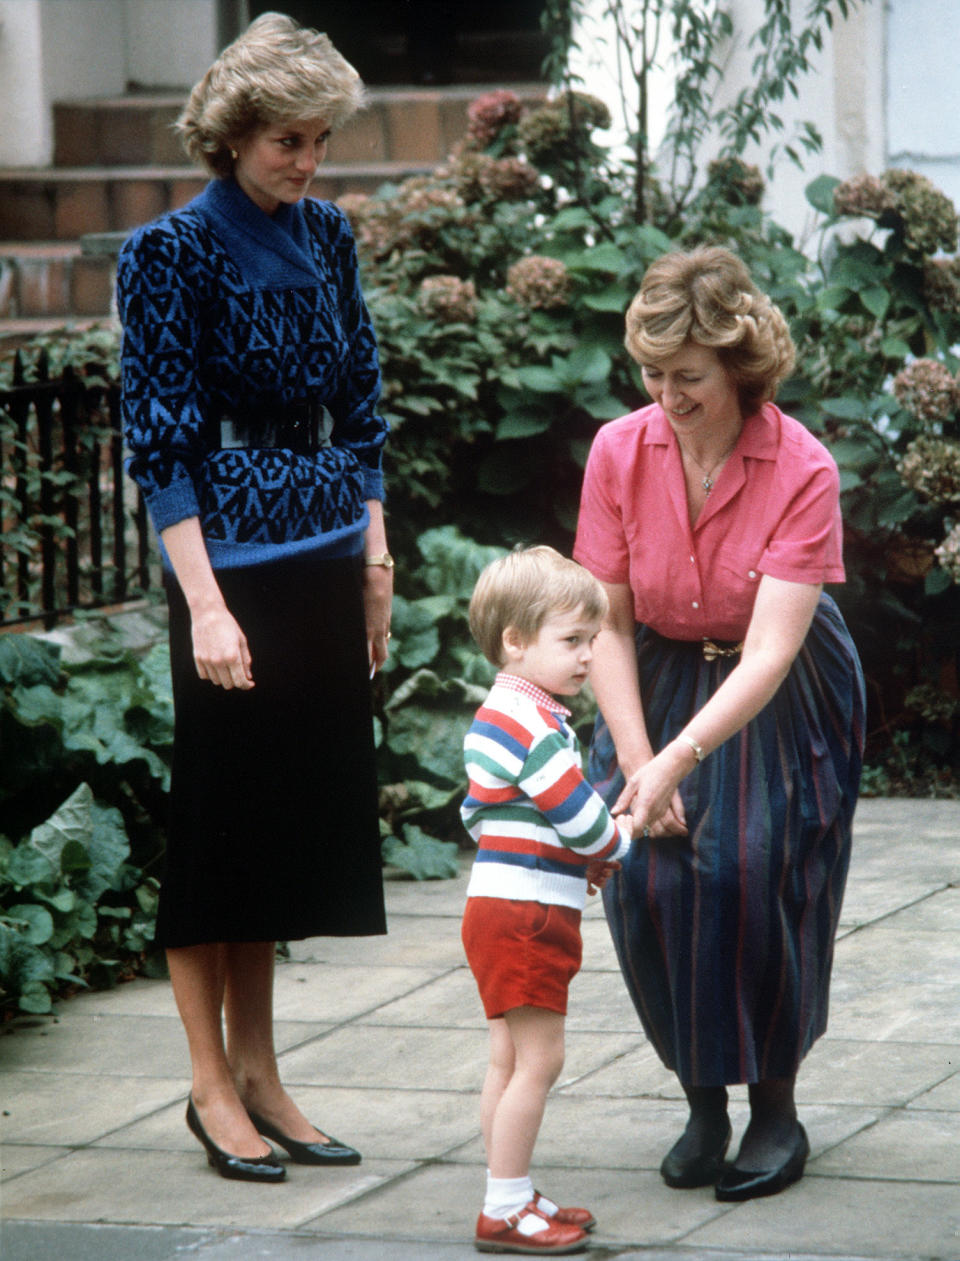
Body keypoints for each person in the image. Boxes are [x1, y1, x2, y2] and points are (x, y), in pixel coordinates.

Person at [115, 12, 392, 1183]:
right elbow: (160, 441)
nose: (307, 162)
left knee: (288, 835)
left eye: (320, 139)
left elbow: (365, 403)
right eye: (288, 139)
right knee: (221, 836)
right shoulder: (166, 253)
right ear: (230, 136)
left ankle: (267, 1072)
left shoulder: (328, 237)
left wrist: (377, 559)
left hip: (329, 559)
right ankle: (210, 1085)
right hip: (226, 575)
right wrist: (207, 604)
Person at [573, 246, 865, 1202]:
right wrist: (634, 757)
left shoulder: (802, 467)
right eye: (652, 373)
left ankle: (775, 1106)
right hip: (651, 671)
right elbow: (607, 618)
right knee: (646, 878)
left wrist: (682, 759)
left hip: (773, 688)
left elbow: (772, 654)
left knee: (752, 867)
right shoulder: (620, 450)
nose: (666, 393)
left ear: (739, 365)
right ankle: (704, 1103)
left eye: (687, 375)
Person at [460, 546, 633, 1255]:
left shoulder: (505, 713)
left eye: (593, 639)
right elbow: (584, 819)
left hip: (500, 907)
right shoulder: (533, 727)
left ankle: (513, 1187)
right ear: (515, 640)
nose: (589, 655)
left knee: (508, 1057)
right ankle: (503, 1207)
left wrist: (573, 856)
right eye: (573, 640)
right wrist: (618, 838)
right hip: (527, 917)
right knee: (540, 1060)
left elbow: (486, 818)